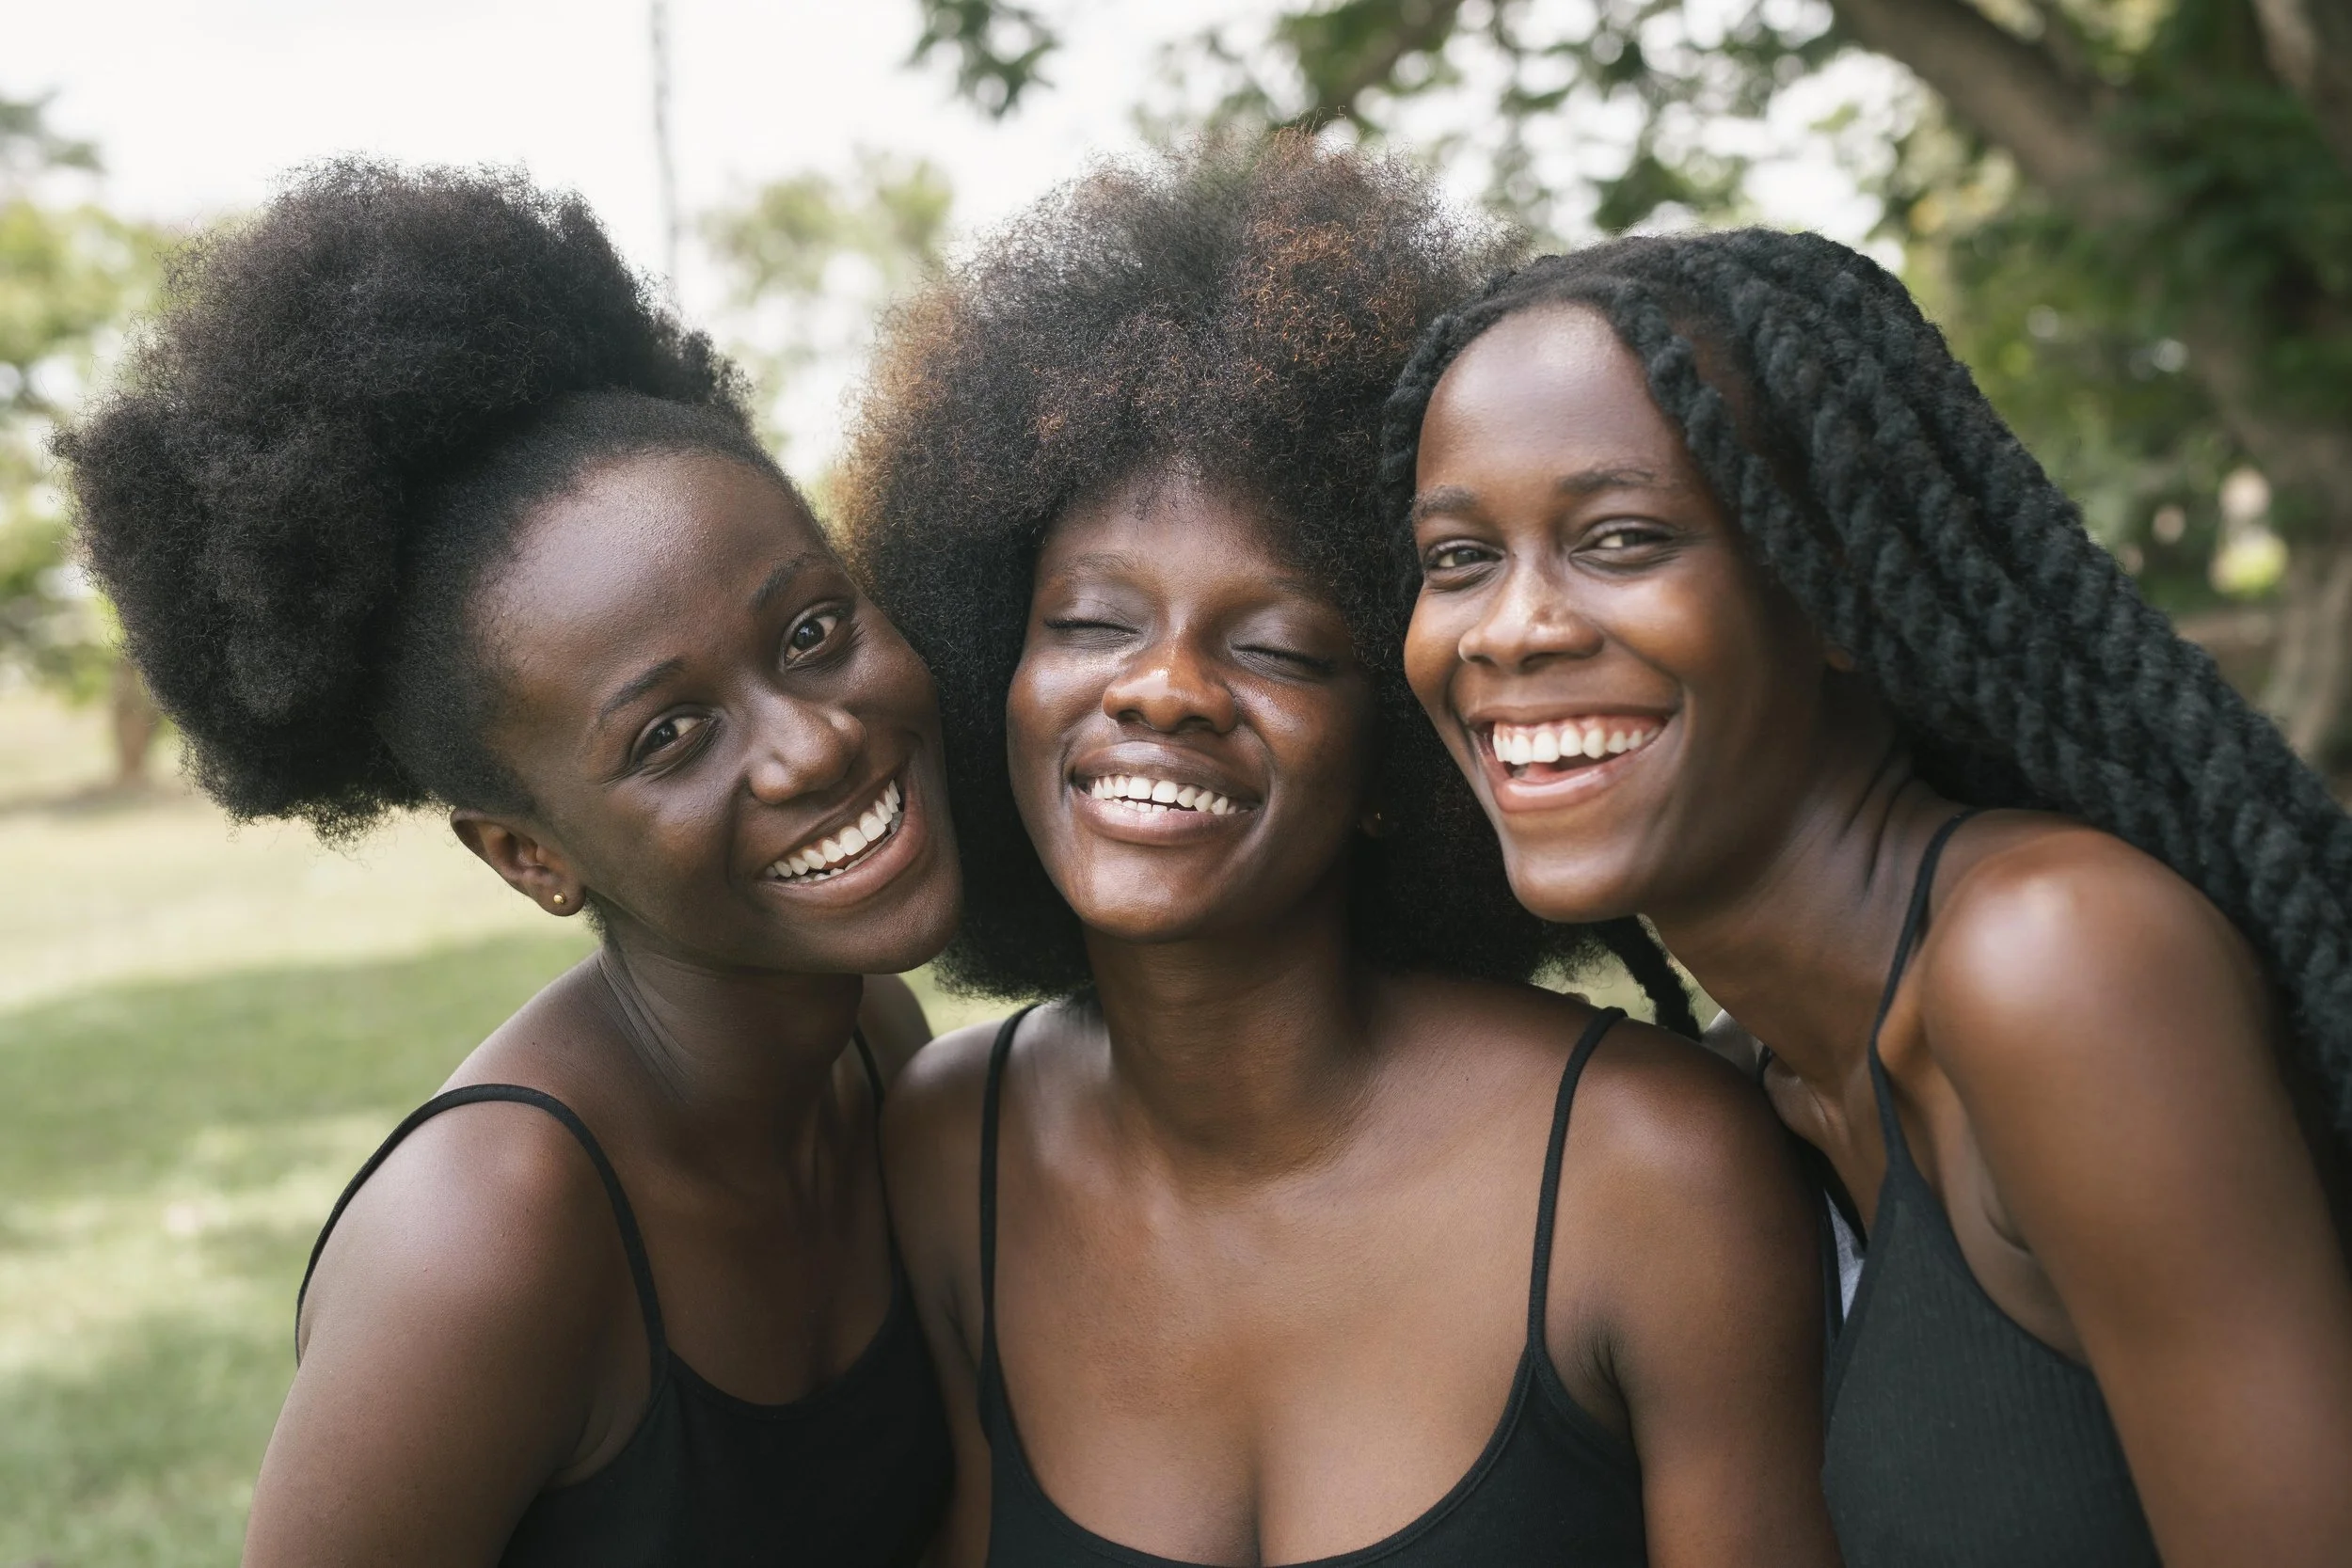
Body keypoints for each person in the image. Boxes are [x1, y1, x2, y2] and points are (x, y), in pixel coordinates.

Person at [841, 138, 1840, 1568]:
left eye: (1279, 647)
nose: (1163, 687)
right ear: (989, 671)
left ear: (1392, 760)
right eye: (1088, 625)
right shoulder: (951, 1149)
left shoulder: (1647, 1168)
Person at [1384, 230, 2352, 1567]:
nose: (1510, 628)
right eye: (1457, 560)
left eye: (1619, 539)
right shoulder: (1751, 1099)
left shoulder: (2052, 962)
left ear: (1837, 584)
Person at [60, 163, 961, 1566]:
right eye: (671, 733)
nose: (811, 747)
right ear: (528, 855)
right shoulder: (486, 1237)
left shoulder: (870, 1048)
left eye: (811, 631)